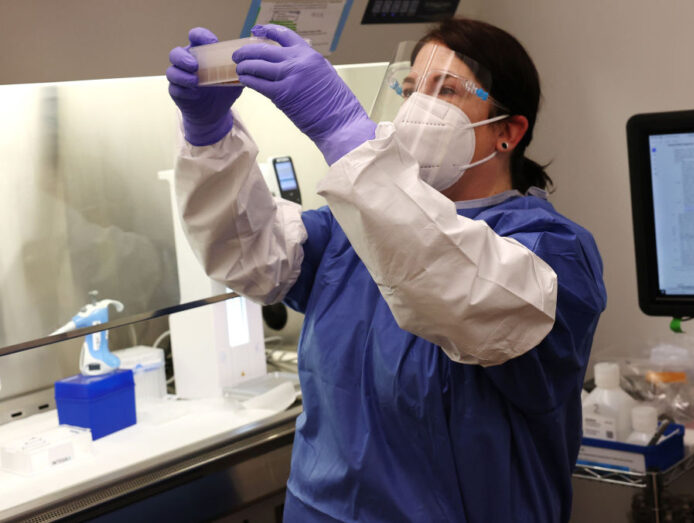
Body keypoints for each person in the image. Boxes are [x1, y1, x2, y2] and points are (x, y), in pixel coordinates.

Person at [167, 18, 606, 522]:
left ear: (508, 131)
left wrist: (341, 132)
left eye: (446, 90)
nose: (418, 106)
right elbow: (250, 256)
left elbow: (464, 291)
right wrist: (209, 137)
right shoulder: (352, 229)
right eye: (410, 88)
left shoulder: (553, 251)